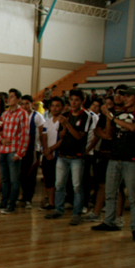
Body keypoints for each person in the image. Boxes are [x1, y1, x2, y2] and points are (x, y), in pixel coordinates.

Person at [92, 87, 135, 241]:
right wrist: (109, 118)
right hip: (115, 158)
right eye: (124, 96)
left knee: (134, 198)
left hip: (132, 161)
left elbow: (134, 127)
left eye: (129, 96)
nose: (125, 98)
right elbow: (108, 135)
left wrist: (112, 118)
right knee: (110, 193)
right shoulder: (117, 113)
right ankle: (109, 222)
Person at [45, 90, 89, 225]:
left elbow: (78, 136)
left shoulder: (85, 116)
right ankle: (59, 209)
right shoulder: (65, 115)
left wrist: (68, 124)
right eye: (72, 99)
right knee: (59, 184)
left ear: (82, 101)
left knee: (76, 186)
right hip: (63, 154)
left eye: (76, 100)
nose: (73, 102)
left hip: (77, 155)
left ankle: (77, 213)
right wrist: (64, 125)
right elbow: (63, 136)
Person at [0, 88, 29, 214]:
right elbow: (0, 131)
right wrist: (1, 140)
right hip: (3, 150)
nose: (9, 99)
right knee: (4, 179)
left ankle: (11, 204)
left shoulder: (22, 114)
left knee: (14, 180)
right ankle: (3, 202)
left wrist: (20, 153)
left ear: (18, 99)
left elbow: (25, 134)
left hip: (14, 151)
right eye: (9, 97)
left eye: (12, 97)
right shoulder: (5, 114)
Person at [19, 95, 45, 209]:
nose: (24, 106)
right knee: (22, 174)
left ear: (32, 104)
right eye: (22, 104)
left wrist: (44, 149)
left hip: (33, 149)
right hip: (21, 149)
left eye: (27, 103)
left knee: (31, 174)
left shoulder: (37, 117)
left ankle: (28, 198)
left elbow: (42, 134)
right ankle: (24, 196)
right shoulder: (19, 116)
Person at [40, 97, 64, 211]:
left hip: (60, 155)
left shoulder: (64, 122)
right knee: (48, 180)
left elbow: (63, 139)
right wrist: (46, 150)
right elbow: (43, 137)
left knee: (59, 181)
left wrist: (51, 149)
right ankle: (51, 202)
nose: (54, 108)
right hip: (47, 154)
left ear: (62, 107)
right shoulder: (47, 122)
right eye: (53, 106)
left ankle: (59, 203)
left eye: (57, 106)